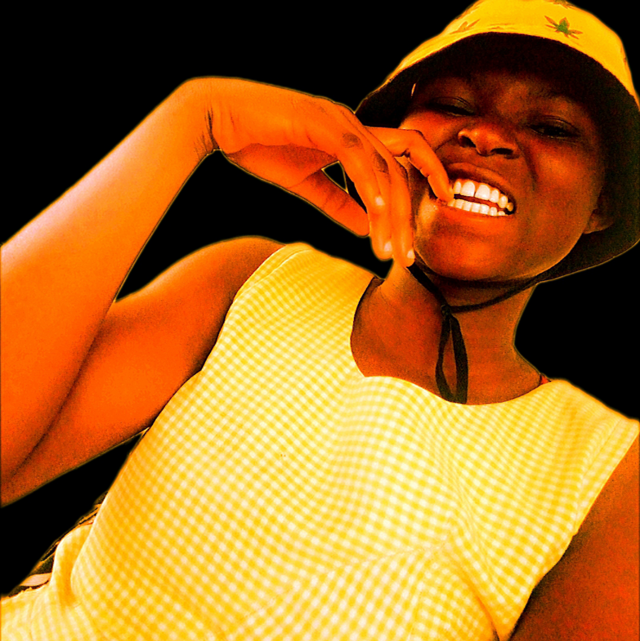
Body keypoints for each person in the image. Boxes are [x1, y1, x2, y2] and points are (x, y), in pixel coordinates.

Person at [1, 0, 638, 638]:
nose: (486, 135)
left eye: (553, 127)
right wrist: (193, 121)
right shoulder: (250, 281)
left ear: (603, 205)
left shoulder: (610, 472)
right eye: (453, 104)